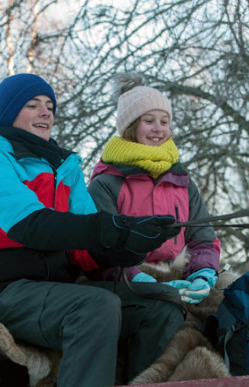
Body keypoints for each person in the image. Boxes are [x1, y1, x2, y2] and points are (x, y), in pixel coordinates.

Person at [0, 73, 186, 387]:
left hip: (55, 288)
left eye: (50, 106)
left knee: (162, 304)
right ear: (8, 114)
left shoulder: (65, 167)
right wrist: (113, 228)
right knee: (94, 307)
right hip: (3, 291)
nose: (46, 112)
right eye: (32, 105)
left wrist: (133, 241)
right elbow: (32, 226)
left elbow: (84, 250)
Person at [88, 76, 221, 305]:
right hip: (129, 281)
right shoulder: (107, 183)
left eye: (165, 121)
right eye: (149, 121)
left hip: (182, 275)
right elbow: (100, 251)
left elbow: (203, 239)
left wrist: (203, 273)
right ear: (131, 128)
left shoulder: (181, 181)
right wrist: (141, 280)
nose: (158, 129)